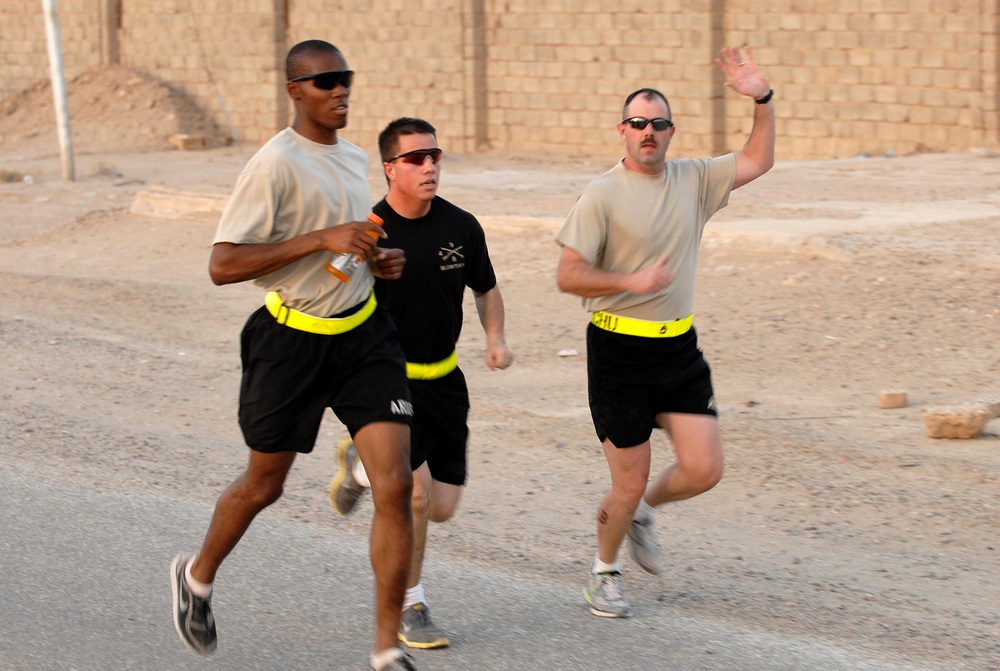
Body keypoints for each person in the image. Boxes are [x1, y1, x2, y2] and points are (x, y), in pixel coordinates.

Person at [169, 40, 419, 671]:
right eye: (326, 81)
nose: (340, 91)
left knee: (394, 484)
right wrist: (321, 239)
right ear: (295, 92)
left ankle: (387, 651)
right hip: (291, 340)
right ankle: (196, 579)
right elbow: (223, 265)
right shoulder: (272, 164)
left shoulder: (354, 157)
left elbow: (348, 249)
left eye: (346, 80)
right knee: (264, 484)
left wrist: (381, 261)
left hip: (363, 333)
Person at [555, 46, 775, 618]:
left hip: (678, 347)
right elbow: (568, 274)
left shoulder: (695, 179)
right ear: (621, 131)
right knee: (625, 484)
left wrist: (763, 100)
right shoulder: (601, 194)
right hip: (618, 349)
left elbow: (758, 159)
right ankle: (603, 573)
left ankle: (644, 513)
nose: (647, 132)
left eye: (657, 124)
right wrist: (633, 278)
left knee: (705, 469)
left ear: (671, 131)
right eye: (637, 124)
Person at [329, 117, 513, 649]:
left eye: (435, 155)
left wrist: (495, 337)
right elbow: (330, 289)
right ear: (390, 168)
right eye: (415, 158)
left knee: (444, 504)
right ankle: (411, 605)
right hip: (385, 380)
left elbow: (486, 288)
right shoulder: (368, 228)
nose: (429, 166)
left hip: (445, 379)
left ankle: (360, 469)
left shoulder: (462, 226)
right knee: (412, 499)